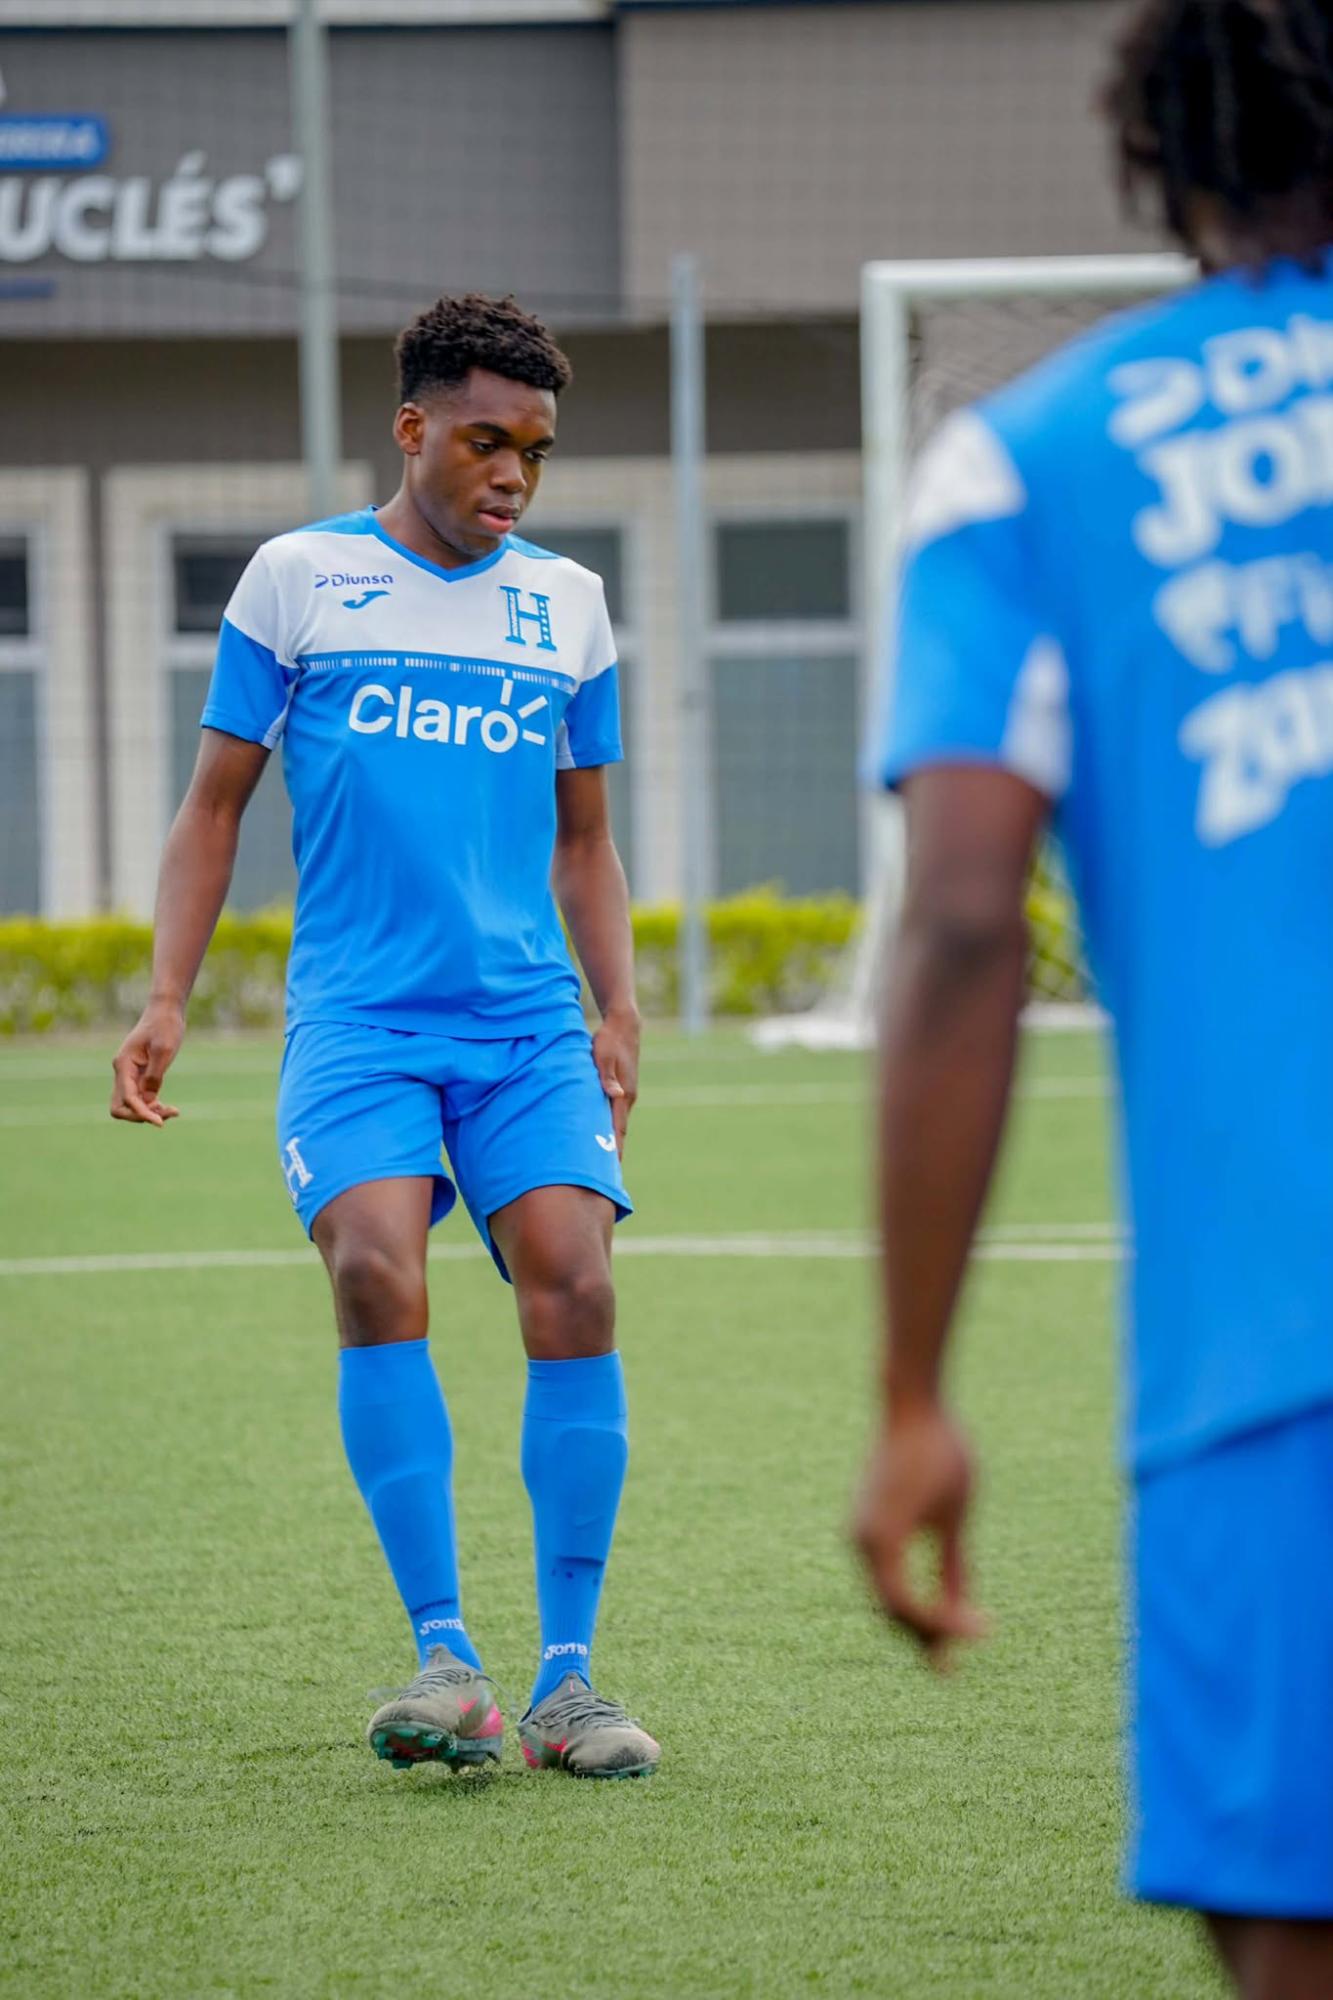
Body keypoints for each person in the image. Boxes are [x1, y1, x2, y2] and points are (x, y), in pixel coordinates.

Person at [854, 1, 1333, 1992]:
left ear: (1161, 158)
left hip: (1275, 1352)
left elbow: (964, 916)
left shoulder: (1029, 461)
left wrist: (908, 1391)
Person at [111, 293, 659, 1782]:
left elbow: (587, 840)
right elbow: (214, 807)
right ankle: (446, 1658)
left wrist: (615, 1006)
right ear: (412, 427)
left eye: (534, 453)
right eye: (486, 441)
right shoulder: (299, 582)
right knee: (370, 1265)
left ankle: (566, 1682)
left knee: (575, 1282)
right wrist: (167, 996)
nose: (511, 476)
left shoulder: (569, 605)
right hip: (357, 1018)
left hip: (526, 1025)